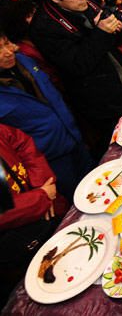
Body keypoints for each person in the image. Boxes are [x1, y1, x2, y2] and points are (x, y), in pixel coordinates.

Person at [29, 0, 122, 160]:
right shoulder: (44, 27)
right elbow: (78, 65)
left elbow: (114, 39)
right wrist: (101, 32)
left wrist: (114, 28)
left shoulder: (85, 2)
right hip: (102, 99)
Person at [0, 27, 93, 197]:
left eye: (6, 43)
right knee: (81, 198)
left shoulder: (24, 61)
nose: (8, 52)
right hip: (51, 159)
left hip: (73, 138)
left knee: (98, 182)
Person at [0, 123, 69, 306]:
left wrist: (41, 184)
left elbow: (20, 141)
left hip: (46, 203)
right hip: (20, 240)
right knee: (50, 291)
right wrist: (40, 198)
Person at [0, 0, 63, 91]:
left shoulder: (44, 36)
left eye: (36, 13)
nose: (37, 18)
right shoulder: (24, 51)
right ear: (17, 22)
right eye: (29, 16)